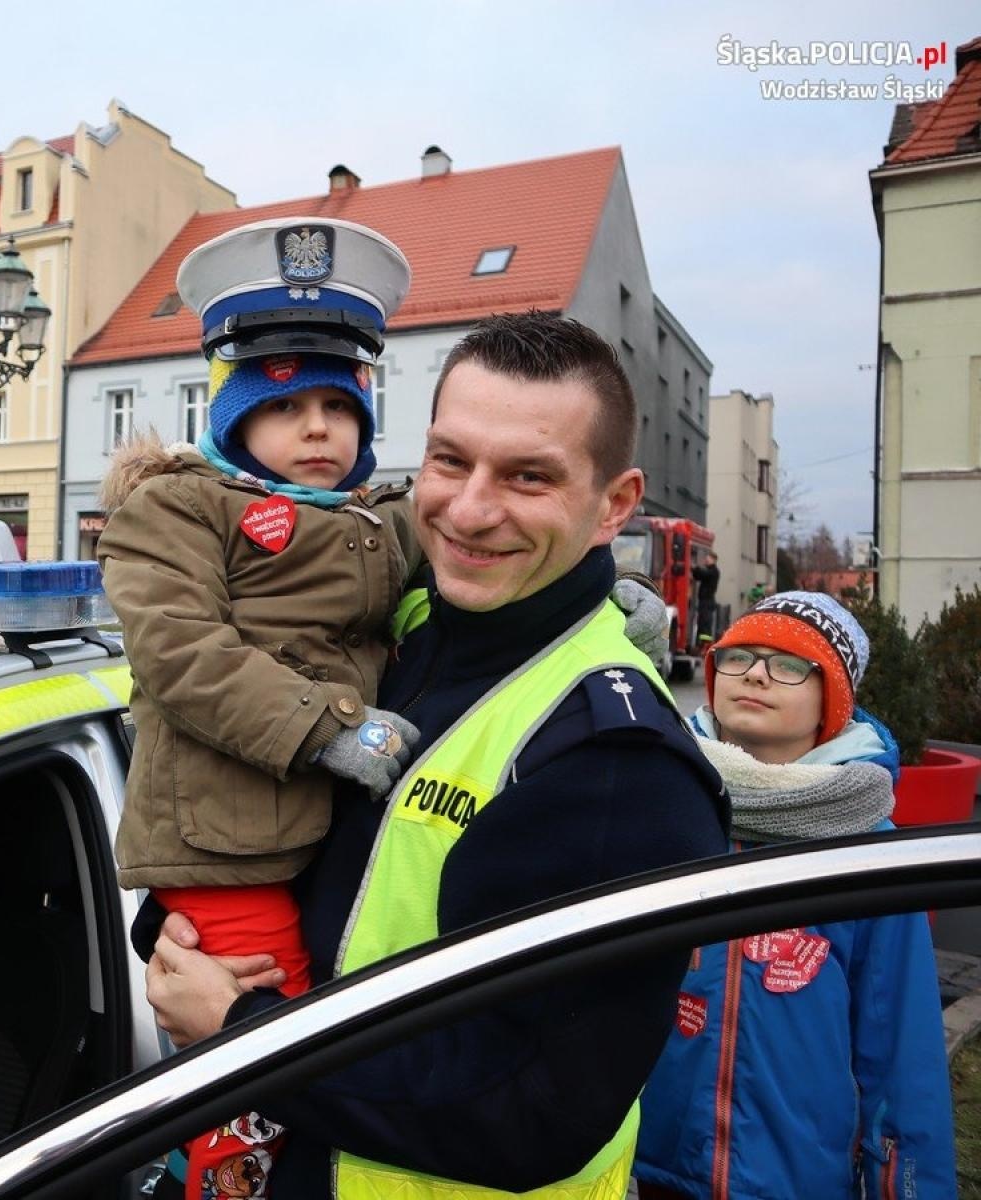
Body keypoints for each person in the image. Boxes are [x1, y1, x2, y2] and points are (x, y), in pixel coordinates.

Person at [143, 311, 732, 1198]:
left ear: (614, 505)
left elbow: (531, 1111)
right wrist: (183, 932)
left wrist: (243, 1027)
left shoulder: (619, 767)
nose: (468, 508)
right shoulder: (405, 637)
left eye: (528, 476)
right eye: (451, 460)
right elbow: (315, 866)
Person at [97, 217, 423, 1199]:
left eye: (339, 402)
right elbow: (180, 653)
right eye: (286, 404)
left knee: (311, 1050)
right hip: (222, 843)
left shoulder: (383, 519)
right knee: (253, 1064)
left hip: (327, 842)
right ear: (235, 412)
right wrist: (328, 728)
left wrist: (589, 590)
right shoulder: (177, 505)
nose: (319, 427)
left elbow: (473, 573)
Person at [633, 591, 956, 1199]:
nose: (756, 673)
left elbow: (900, 1051)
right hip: (649, 1164)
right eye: (739, 656)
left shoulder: (866, 852)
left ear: (830, 702)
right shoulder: (664, 804)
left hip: (794, 1178)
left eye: (788, 663)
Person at [692, 551, 720, 643]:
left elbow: (704, 574)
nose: (706, 560)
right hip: (704, 601)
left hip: (707, 601)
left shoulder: (714, 571)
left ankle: (705, 644)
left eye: (708, 559)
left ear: (714, 560)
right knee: (701, 623)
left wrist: (694, 567)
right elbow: (698, 576)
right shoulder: (709, 570)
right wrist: (694, 570)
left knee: (705, 624)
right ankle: (701, 643)